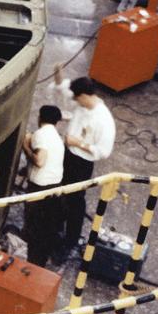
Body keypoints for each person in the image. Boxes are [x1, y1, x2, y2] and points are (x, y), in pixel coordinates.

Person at [52, 67, 116, 259]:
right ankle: (55, 226)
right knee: (58, 190)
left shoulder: (104, 120)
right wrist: (58, 73)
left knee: (75, 202)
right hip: (67, 154)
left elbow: (104, 151)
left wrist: (78, 142)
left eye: (77, 99)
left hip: (82, 163)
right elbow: (63, 88)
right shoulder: (82, 104)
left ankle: (70, 241)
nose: (75, 103)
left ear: (86, 96)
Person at [21, 105, 65, 266]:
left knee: (34, 227)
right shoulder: (56, 137)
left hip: (39, 188)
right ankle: (43, 259)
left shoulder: (40, 135)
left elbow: (40, 161)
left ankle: (32, 263)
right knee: (46, 227)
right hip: (54, 186)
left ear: (40, 118)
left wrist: (25, 145)